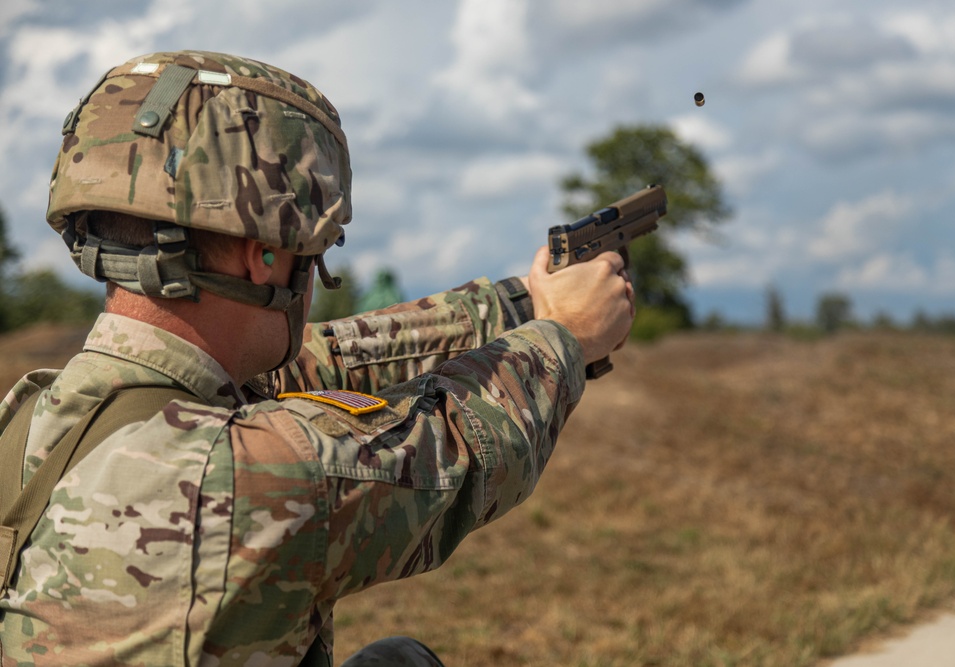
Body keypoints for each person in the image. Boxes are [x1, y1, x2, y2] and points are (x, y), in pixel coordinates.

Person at [0, 51, 634, 666]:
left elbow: (323, 363)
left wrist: (520, 302)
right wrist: (567, 335)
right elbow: (467, 446)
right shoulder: (247, 474)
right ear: (268, 256)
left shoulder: (32, 418)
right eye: (319, 249)